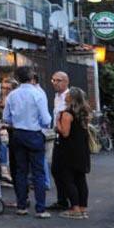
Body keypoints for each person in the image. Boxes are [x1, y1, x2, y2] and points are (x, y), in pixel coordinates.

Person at [2, 66, 52, 217]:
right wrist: (43, 125)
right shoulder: (38, 94)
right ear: (32, 78)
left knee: (20, 171)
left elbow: (6, 117)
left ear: (17, 78)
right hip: (34, 134)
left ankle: (22, 205)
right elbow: (46, 119)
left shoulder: (12, 95)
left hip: (17, 134)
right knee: (38, 172)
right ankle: (40, 208)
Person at [54, 87, 92, 219]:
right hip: (82, 149)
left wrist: (57, 124)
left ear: (71, 98)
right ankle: (83, 208)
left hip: (69, 150)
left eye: (68, 94)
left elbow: (65, 133)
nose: (65, 96)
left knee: (68, 179)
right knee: (80, 179)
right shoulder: (84, 112)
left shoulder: (67, 113)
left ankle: (75, 208)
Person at [49, 71, 71, 210]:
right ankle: (62, 199)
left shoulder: (69, 97)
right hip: (58, 135)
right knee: (56, 169)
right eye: (53, 80)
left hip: (66, 136)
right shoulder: (56, 97)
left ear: (66, 82)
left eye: (58, 80)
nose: (55, 83)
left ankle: (69, 200)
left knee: (65, 170)